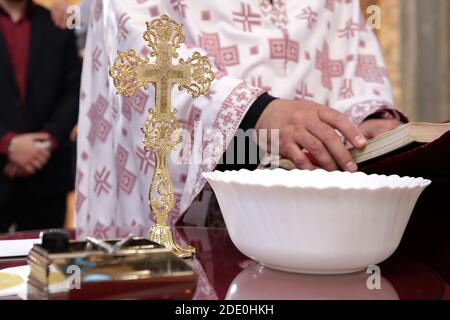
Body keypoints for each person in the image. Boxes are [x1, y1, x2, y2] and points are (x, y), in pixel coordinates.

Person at [76, 0, 405, 229]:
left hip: (316, 210)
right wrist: (256, 113)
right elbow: (141, 45)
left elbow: (349, 50)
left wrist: (364, 121)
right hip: (206, 200)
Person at [0, 0, 81, 232]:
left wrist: (45, 140)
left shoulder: (57, 22)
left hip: (47, 171)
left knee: (47, 263)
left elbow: (75, 89)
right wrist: (8, 143)